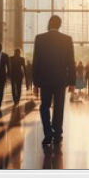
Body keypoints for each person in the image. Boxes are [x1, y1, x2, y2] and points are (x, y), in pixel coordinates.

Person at [32, 15, 76, 146]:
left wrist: (35, 82)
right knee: (59, 106)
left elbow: (36, 62)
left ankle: (47, 132)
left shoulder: (40, 38)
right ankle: (57, 133)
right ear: (59, 25)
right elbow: (71, 62)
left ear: (49, 23)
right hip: (60, 80)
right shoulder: (67, 39)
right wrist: (72, 82)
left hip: (45, 80)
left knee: (44, 106)